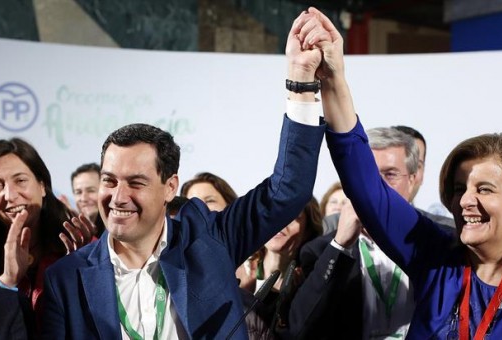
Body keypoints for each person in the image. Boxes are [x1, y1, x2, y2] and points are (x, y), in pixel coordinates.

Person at [293, 8, 502, 338]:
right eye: (459, 187)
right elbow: (365, 188)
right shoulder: (434, 255)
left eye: (485, 189)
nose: (465, 200)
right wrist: (333, 80)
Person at [41, 43, 326, 338]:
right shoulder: (66, 279)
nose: (118, 196)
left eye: (136, 183)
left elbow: (289, 187)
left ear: (170, 187)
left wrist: (301, 83)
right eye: (109, 180)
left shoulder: (210, 243)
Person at [289, 127, 422, 339]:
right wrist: (340, 244)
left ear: (413, 179)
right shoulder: (321, 251)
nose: (377, 185)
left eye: (390, 174)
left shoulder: (439, 243)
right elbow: (300, 327)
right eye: (368, 174)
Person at [0, 138, 88, 321]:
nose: (9, 196)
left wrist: (88, 270)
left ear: (42, 186)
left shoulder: (78, 241)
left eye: (21, 181)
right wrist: (7, 281)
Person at [236, 196, 322, 338]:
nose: (281, 223)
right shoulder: (240, 269)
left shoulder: (311, 282)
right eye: (274, 215)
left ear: (307, 230)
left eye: (293, 217)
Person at [70, 162, 105, 237]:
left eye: (91, 191)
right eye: (78, 192)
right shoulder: (70, 233)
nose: (84, 198)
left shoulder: (116, 230)